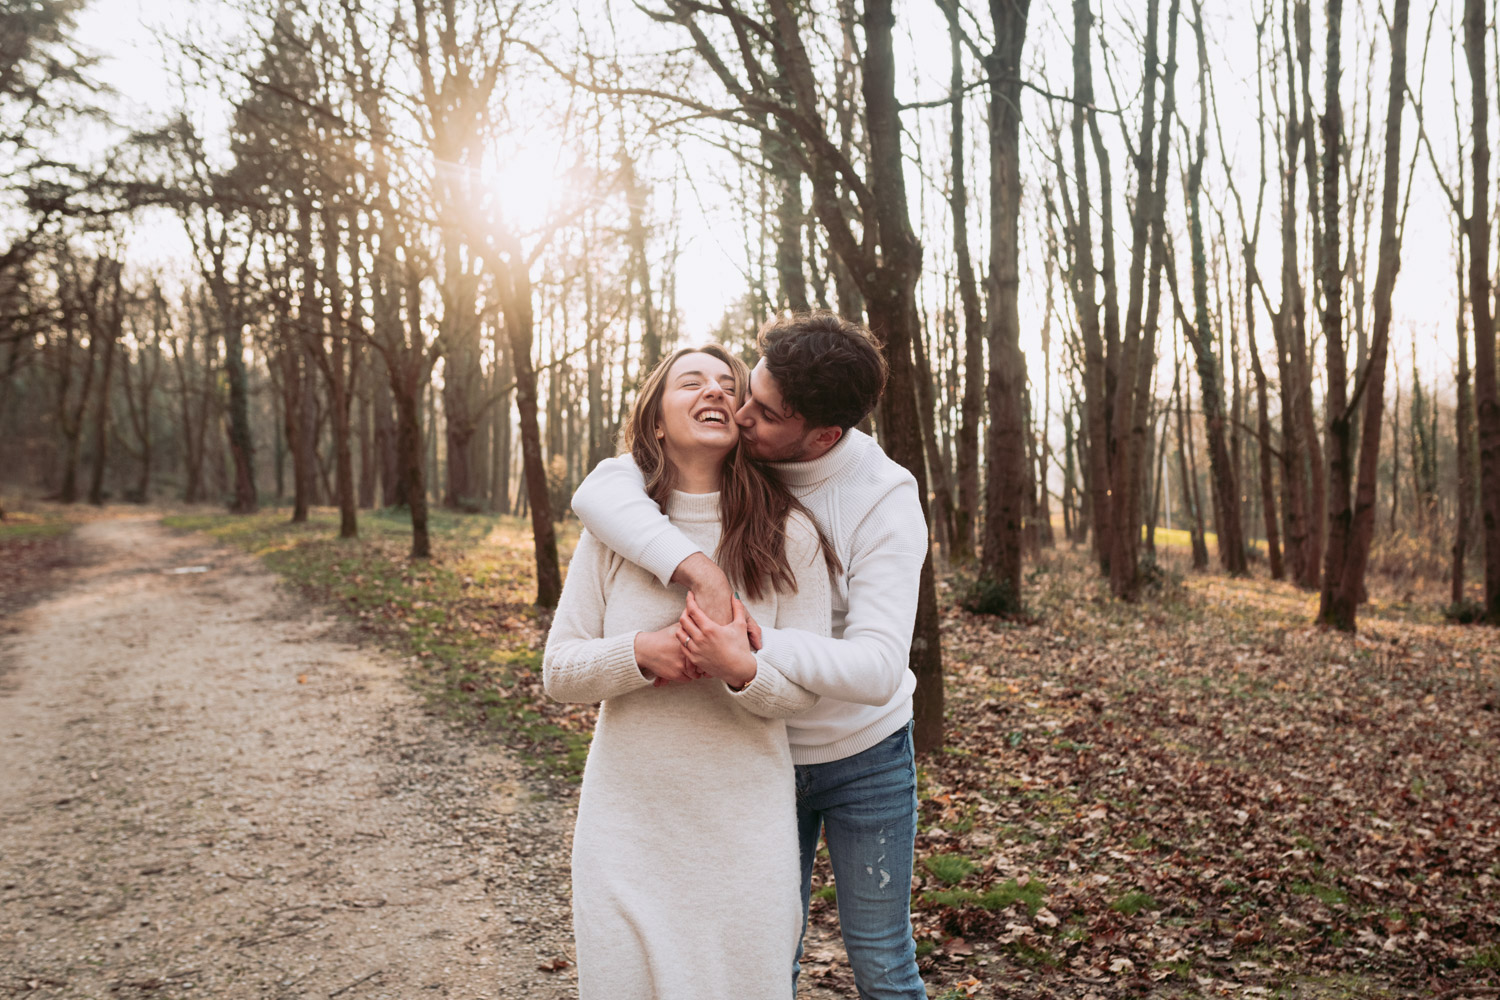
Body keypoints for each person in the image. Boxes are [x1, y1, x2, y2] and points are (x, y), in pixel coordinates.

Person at [571, 313, 929, 1000]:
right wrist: (699, 570)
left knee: (883, 961)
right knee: (766, 960)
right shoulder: (739, 458)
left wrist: (749, 644)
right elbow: (599, 492)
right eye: (747, 393)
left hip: (862, 755)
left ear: (823, 434)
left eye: (763, 412)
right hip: (756, 757)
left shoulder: (881, 498)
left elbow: (879, 666)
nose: (740, 415)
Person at [543, 344, 833, 1000]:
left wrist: (740, 669)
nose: (714, 391)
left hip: (744, 838)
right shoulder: (610, 534)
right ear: (654, 421)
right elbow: (558, 671)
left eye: (728, 385)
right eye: (690, 382)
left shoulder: (792, 535)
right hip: (626, 830)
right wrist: (642, 654)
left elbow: (805, 693)